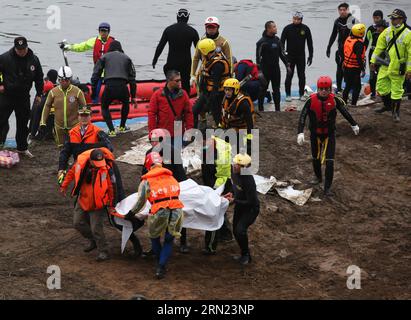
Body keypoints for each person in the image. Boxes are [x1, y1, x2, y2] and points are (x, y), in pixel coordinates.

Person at [297, 76, 359, 196]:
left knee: (330, 161)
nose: (324, 91)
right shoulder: (310, 101)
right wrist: (300, 132)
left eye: (326, 89)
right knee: (315, 158)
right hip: (315, 135)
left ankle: (327, 188)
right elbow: (302, 117)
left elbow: (345, 112)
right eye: (321, 88)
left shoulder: (335, 100)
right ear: (318, 89)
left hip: (329, 135)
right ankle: (318, 177)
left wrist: (354, 124)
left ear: (330, 89)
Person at [130, 152, 184, 279]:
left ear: (148, 164)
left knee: (154, 237)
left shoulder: (147, 180)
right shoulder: (171, 177)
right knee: (169, 240)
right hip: (177, 210)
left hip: (159, 211)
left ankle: (159, 264)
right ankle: (161, 266)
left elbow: (141, 201)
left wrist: (131, 213)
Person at [60, 148, 116, 262]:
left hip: (98, 202)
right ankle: (93, 240)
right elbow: (71, 172)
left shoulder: (106, 169)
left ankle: (103, 250)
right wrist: (64, 185)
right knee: (77, 223)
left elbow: (111, 187)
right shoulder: (80, 165)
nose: (99, 166)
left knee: (96, 228)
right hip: (83, 198)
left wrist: (111, 204)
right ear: (90, 160)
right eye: (96, 163)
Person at [0, 36, 44, 158]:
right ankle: (0, 145)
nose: (21, 51)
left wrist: (39, 93)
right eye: (19, 49)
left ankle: (22, 148)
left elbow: (39, 77)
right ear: (15, 48)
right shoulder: (4, 58)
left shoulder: (34, 60)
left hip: (23, 96)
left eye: (23, 49)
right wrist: (1, 84)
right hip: (6, 95)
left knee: (23, 123)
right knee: (1, 121)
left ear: (27, 47)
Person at [371, 9, 411, 122]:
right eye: (391, 18)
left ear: (402, 19)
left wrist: (409, 70)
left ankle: (395, 113)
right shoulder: (387, 32)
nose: (392, 20)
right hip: (386, 65)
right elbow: (379, 47)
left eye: (394, 18)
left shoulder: (408, 34)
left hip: (399, 67)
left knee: (396, 90)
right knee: (381, 86)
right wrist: (372, 61)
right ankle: (388, 105)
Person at [91, 40, 137, 137]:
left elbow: (96, 75)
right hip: (122, 86)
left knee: (104, 106)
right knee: (125, 103)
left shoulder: (104, 57)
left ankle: (111, 130)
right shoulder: (127, 58)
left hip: (109, 86)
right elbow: (132, 79)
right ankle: (122, 127)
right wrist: (133, 96)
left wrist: (94, 91)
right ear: (120, 48)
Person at [58, 105, 113, 183]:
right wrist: (61, 168)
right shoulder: (72, 133)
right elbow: (65, 152)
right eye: (82, 115)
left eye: (86, 115)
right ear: (78, 117)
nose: (84, 118)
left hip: (94, 168)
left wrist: (92, 149)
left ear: (91, 116)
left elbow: (109, 147)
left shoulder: (98, 132)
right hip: (78, 167)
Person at [62, 22, 115, 103]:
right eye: (101, 31)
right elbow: (82, 46)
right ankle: (95, 103)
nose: (103, 33)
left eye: (105, 31)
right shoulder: (94, 41)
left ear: (108, 32)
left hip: (110, 72)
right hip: (99, 72)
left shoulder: (114, 42)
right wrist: (69, 47)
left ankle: (112, 103)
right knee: (95, 91)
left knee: (111, 90)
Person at [152, 8, 199, 95]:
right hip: (186, 63)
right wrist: (204, 63)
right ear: (188, 18)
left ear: (177, 17)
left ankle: (169, 99)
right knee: (185, 84)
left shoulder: (169, 30)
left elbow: (160, 46)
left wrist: (155, 59)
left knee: (170, 81)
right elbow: (199, 50)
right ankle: (186, 101)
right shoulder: (193, 31)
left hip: (172, 62)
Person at [223, 153, 259, 265]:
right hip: (240, 206)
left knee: (240, 230)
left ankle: (246, 255)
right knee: (235, 230)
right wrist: (230, 193)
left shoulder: (249, 181)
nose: (234, 166)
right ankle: (244, 252)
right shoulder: (233, 172)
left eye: (238, 165)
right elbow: (234, 185)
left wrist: (234, 201)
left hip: (250, 209)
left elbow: (251, 201)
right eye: (235, 163)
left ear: (244, 168)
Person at [201, 133, 233, 254]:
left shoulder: (221, 151)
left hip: (221, 183)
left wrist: (214, 189)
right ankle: (225, 233)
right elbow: (206, 170)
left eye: (205, 142)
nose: (204, 145)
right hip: (216, 182)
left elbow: (224, 172)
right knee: (219, 210)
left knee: (216, 211)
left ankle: (217, 240)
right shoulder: (209, 149)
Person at [40, 66, 87, 147]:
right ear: (59, 79)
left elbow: (84, 107)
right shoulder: (53, 92)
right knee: (61, 150)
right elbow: (47, 106)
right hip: (59, 127)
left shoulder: (77, 91)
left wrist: (85, 123)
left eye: (67, 80)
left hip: (74, 126)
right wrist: (43, 122)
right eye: (61, 80)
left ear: (70, 79)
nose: (64, 82)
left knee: (76, 149)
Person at [192, 39, 231, 128]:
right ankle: (194, 130)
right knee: (194, 110)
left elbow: (216, 83)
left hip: (216, 93)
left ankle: (221, 131)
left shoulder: (218, 64)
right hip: (206, 91)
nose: (201, 54)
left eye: (202, 51)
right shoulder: (208, 58)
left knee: (216, 114)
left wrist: (212, 98)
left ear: (206, 52)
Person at [148, 70, 194, 141]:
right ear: (169, 81)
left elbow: (188, 113)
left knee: (176, 151)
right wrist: (153, 132)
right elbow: (152, 114)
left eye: (180, 80)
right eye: (177, 81)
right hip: (163, 133)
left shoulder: (183, 94)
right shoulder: (158, 95)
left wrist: (189, 130)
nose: (179, 83)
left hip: (178, 133)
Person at [257, 21, 290, 112]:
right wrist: (259, 72)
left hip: (276, 70)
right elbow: (258, 57)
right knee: (263, 89)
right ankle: (261, 109)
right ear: (268, 29)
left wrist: (287, 65)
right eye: (274, 27)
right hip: (265, 70)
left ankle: (277, 109)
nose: (276, 28)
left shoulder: (277, 40)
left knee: (276, 89)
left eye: (275, 26)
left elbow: (282, 54)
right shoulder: (261, 42)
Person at [326, 3, 359, 93]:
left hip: (351, 50)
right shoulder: (337, 21)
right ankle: (339, 88)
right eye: (340, 10)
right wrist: (329, 47)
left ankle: (350, 86)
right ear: (338, 11)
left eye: (344, 10)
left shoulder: (353, 20)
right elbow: (333, 35)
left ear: (348, 10)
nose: (342, 12)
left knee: (350, 69)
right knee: (339, 68)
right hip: (341, 49)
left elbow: (359, 36)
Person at [191, 16, 233, 87]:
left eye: (213, 27)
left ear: (218, 27)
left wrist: (230, 75)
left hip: (219, 74)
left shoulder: (224, 42)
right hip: (204, 73)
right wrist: (192, 75)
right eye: (209, 27)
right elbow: (196, 58)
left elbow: (229, 59)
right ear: (205, 28)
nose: (211, 30)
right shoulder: (201, 41)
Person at [281, 11, 314, 101]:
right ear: (292, 19)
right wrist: (284, 54)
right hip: (290, 56)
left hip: (301, 56)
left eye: (298, 19)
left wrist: (311, 56)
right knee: (289, 75)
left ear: (301, 20)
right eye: (294, 19)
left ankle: (301, 94)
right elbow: (282, 43)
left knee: (301, 75)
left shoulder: (305, 29)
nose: (296, 20)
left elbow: (310, 43)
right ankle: (288, 95)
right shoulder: (287, 28)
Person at [219, 78, 255, 155]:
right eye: (226, 90)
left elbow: (250, 123)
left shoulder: (243, 104)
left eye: (229, 90)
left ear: (235, 90)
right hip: (231, 128)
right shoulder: (226, 99)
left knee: (241, 154)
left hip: (242, 131)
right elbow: (223, 115)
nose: (227, 92)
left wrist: (249, 141)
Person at [364, 11, 388, 98]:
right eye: (374, 18)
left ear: (381, 18)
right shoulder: (370, 29)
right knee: (372, 75)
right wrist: (362, 54)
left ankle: (383, 92)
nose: (375, 20)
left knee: (382, 73)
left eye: (377, 18)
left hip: (384, 54)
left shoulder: (387, 29)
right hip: (372, 52)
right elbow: (366, 42)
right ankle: (373, 93)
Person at [29, 69, 58, 141]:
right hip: (56, 129)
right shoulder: (59, 93)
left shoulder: (41, 100)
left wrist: (32, 133)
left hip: (43, 131)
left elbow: (34, 117)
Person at [342, 23, 366, 106]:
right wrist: (362, 69)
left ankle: (344, 103)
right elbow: (359, 58)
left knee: (348, 86)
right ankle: (353, 104)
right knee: (357, 87)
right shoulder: (359, 44)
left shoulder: (348, 39)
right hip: (355, 69)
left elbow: (344, 51)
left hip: (346, 66)